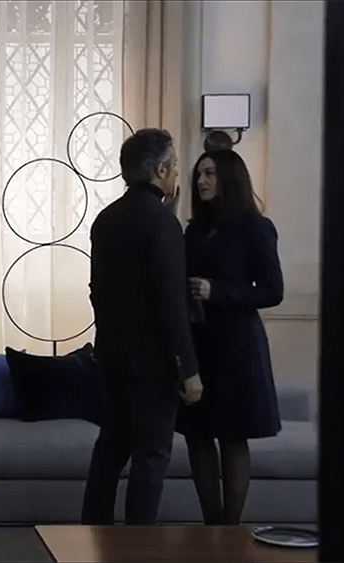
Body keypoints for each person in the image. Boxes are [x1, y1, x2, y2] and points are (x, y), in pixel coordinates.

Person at [81, 128, 203, 526]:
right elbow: (170, 302)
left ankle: (92, 535)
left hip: (111, 355)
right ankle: (138, 544)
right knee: (151, 456)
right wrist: (188, 368)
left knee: (110, 448)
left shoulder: (105, 219)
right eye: (174, 166)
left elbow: (97, 291)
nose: (177, 173)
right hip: (154, 364)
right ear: (161, 170)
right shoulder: (163, 224)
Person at [176, 150, 284, 525]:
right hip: (199, 344)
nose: (201, 181)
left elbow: (273, 291)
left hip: (238, 346)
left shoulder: (256, 228)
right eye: (198, 174)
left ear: (230, 178)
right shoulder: (194, 230)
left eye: (210, 174)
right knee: (197, 434)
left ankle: (231, 528)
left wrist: (217, 291)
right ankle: (212, 526)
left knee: (233, 436)